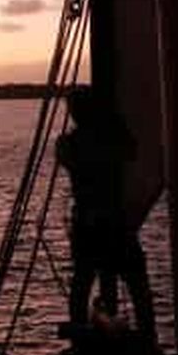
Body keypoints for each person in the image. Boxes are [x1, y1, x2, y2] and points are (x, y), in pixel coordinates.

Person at [56, 85, 156, 341]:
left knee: (82, 280)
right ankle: (147, 336)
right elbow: (130, 150)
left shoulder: (68, 143)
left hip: (87, 224)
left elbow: (70, 156)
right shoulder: (110, 142)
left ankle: (79, 337)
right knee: (137, 284)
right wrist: (113, 121)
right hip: (113, 224)